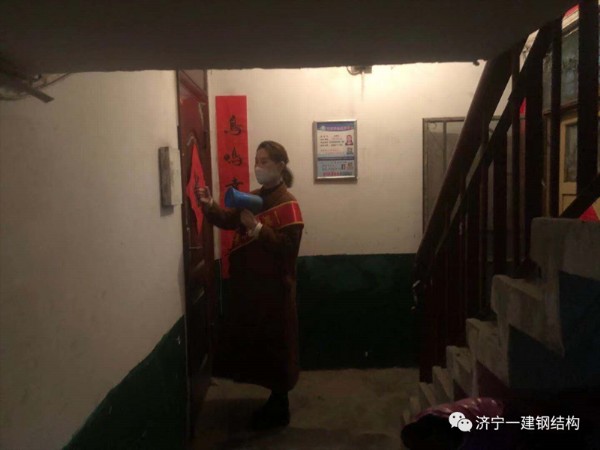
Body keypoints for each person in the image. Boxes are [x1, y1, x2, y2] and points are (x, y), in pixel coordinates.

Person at [195, 140, 304, 430]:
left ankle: (280, 406)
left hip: (275, 291)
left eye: (265, 161)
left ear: (280, 166)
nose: (258, 167)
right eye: (257, 161)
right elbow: (229, 219)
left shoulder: (289, 204)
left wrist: (257, 229)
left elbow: (288, 249)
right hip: (252, 291)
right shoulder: (253, 198)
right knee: (260, 348)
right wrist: (209, 205)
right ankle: (273, 402)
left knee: (278, 347)